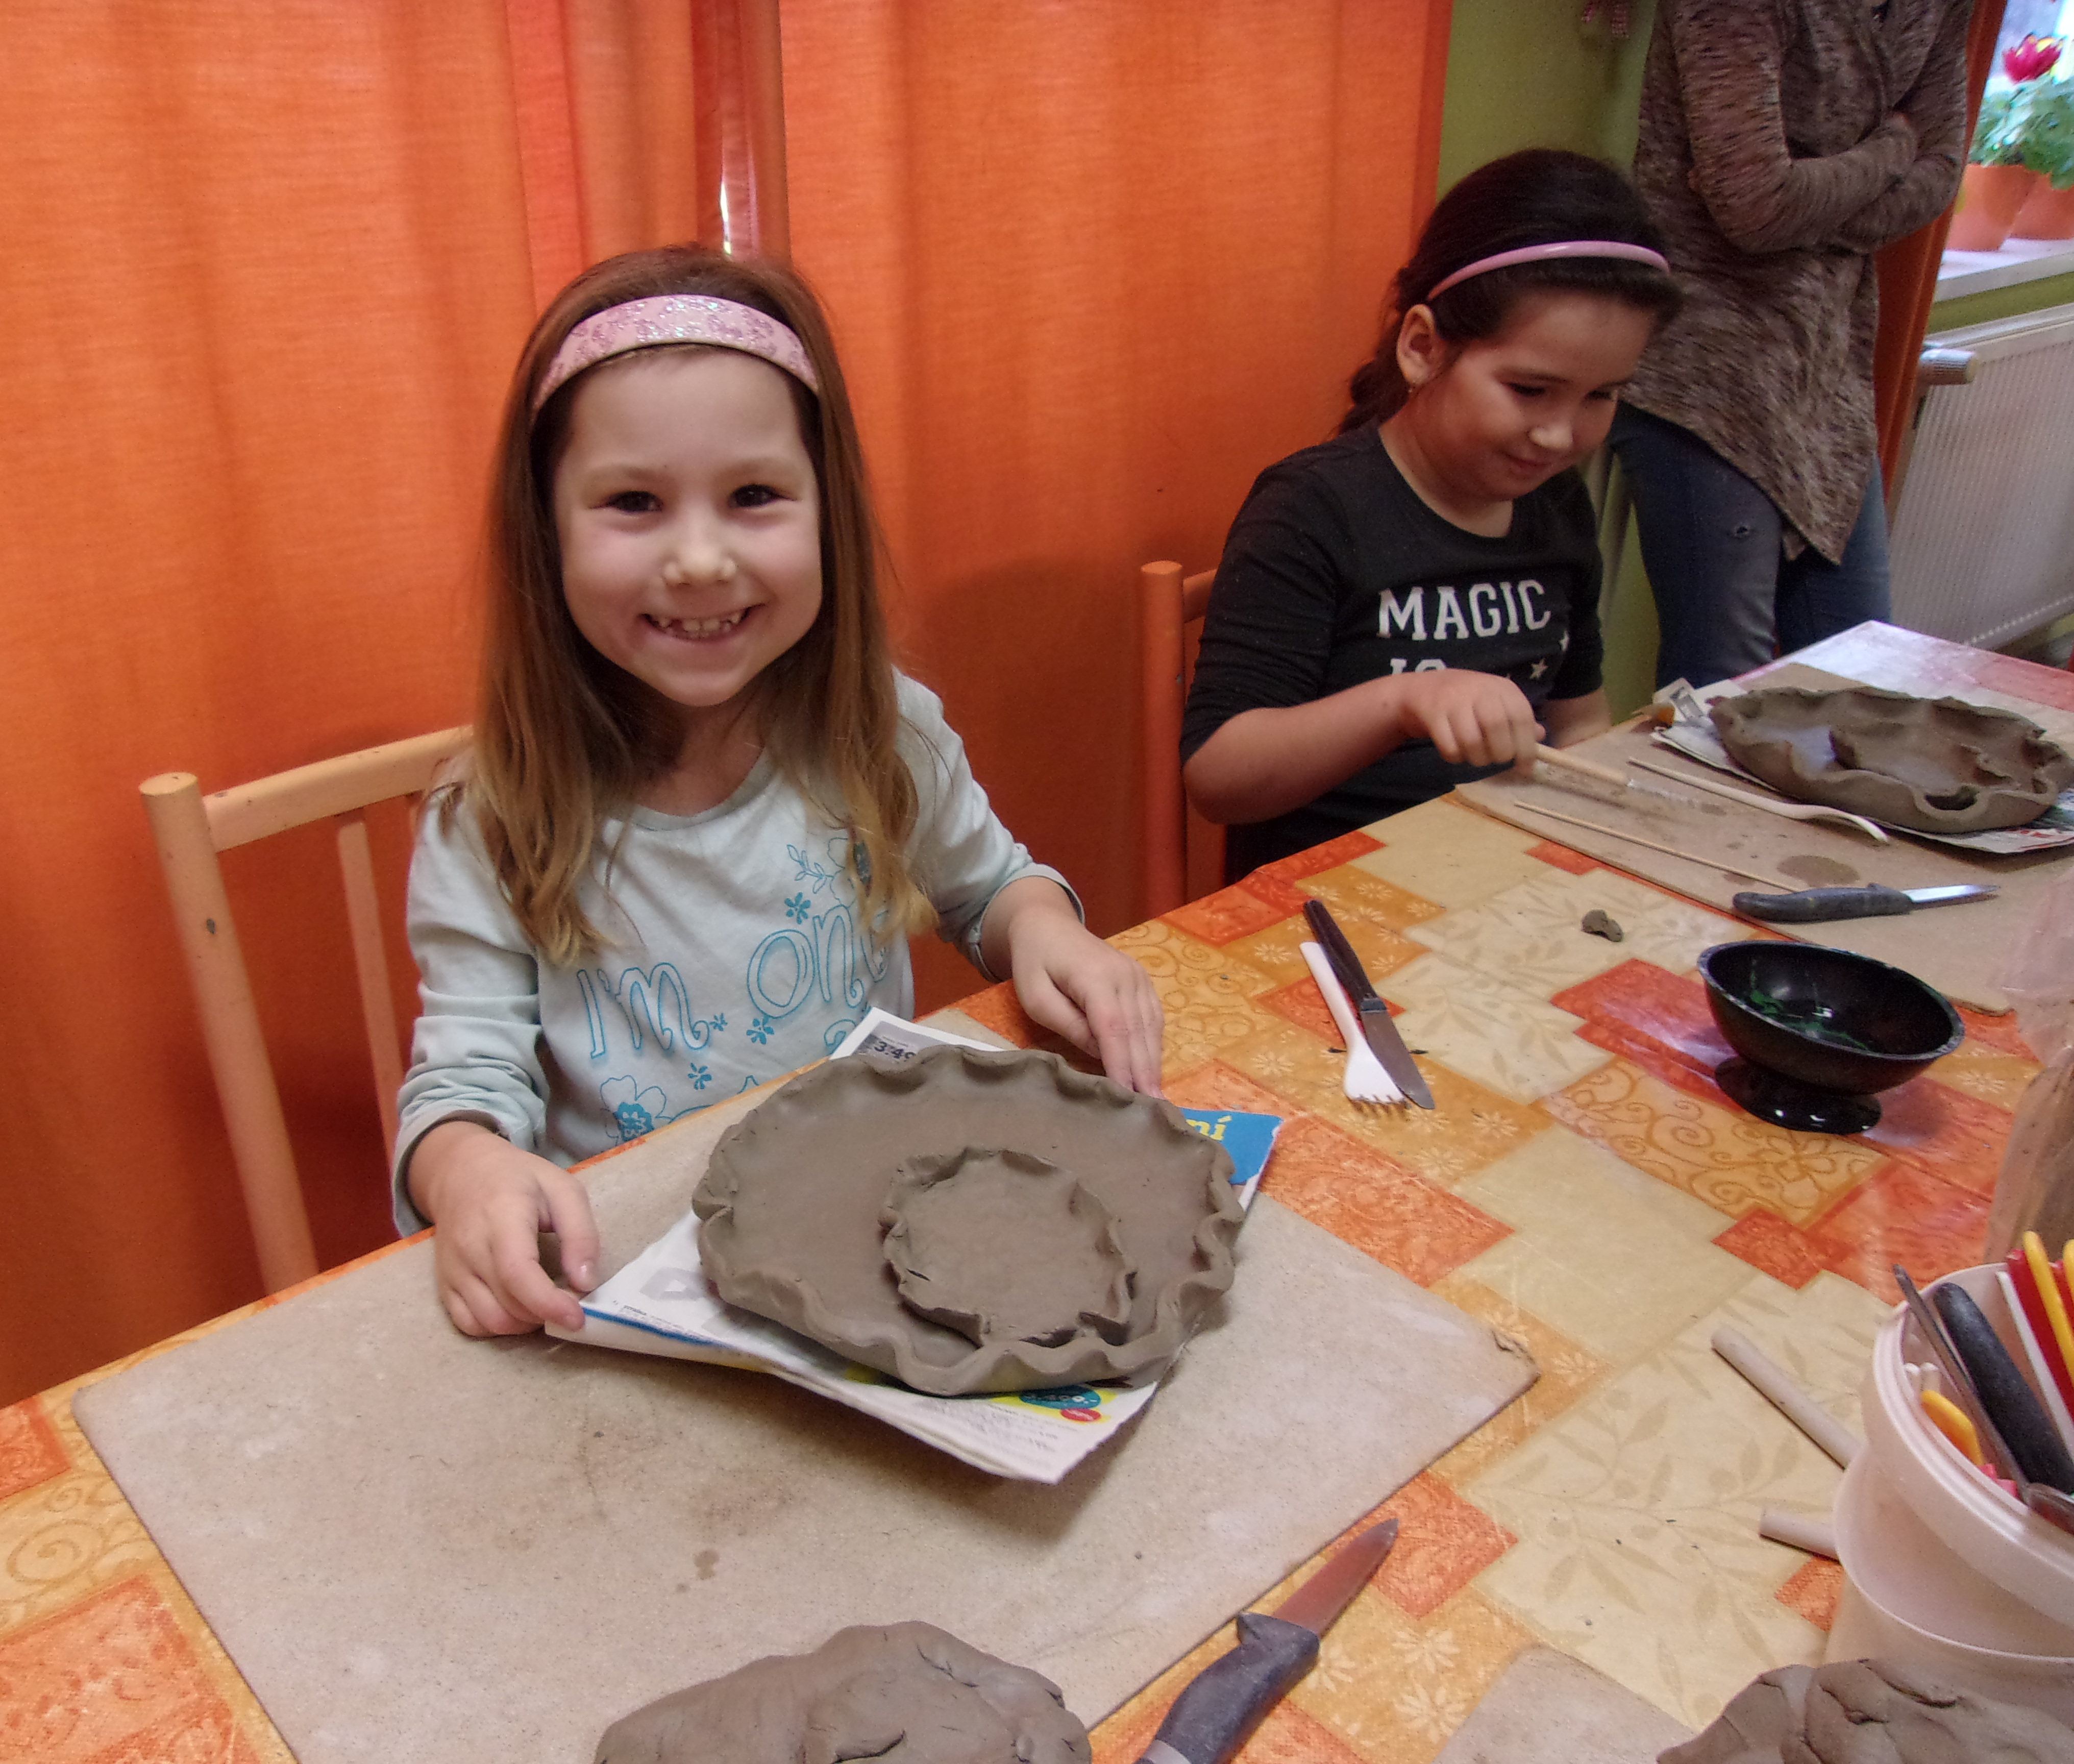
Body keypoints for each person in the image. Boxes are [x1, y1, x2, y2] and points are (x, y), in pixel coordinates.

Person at [393, 246, 1164, 1339]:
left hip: (870, 1242)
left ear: (826, 512)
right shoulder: (490, 816)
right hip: (636, 1279)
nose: (701, 559)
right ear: (546, 533)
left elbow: (990, 887)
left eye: (753, 496)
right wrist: (466, 1169)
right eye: (633, 502)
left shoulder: (881, 730)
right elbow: (461, 1089)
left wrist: (1045, 927)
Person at [1182, 150, 1685, 879]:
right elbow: (1219, 777)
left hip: (1502, 877)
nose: (1559, 436)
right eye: (1530, 389)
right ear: (1422, 348)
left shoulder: (1557, 503)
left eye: (1600, 396)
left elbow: (1578, 721)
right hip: (1330, 898)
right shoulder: (1315, 508)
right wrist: (1405, 701)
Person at [1610, 1, 1970, 688]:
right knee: (1726, 689)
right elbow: (1757, 206)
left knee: (1861, 676)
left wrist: (1799, 198)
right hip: (1705, 367)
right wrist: (1892, 149)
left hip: (1827, 374)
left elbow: (1939, 176)